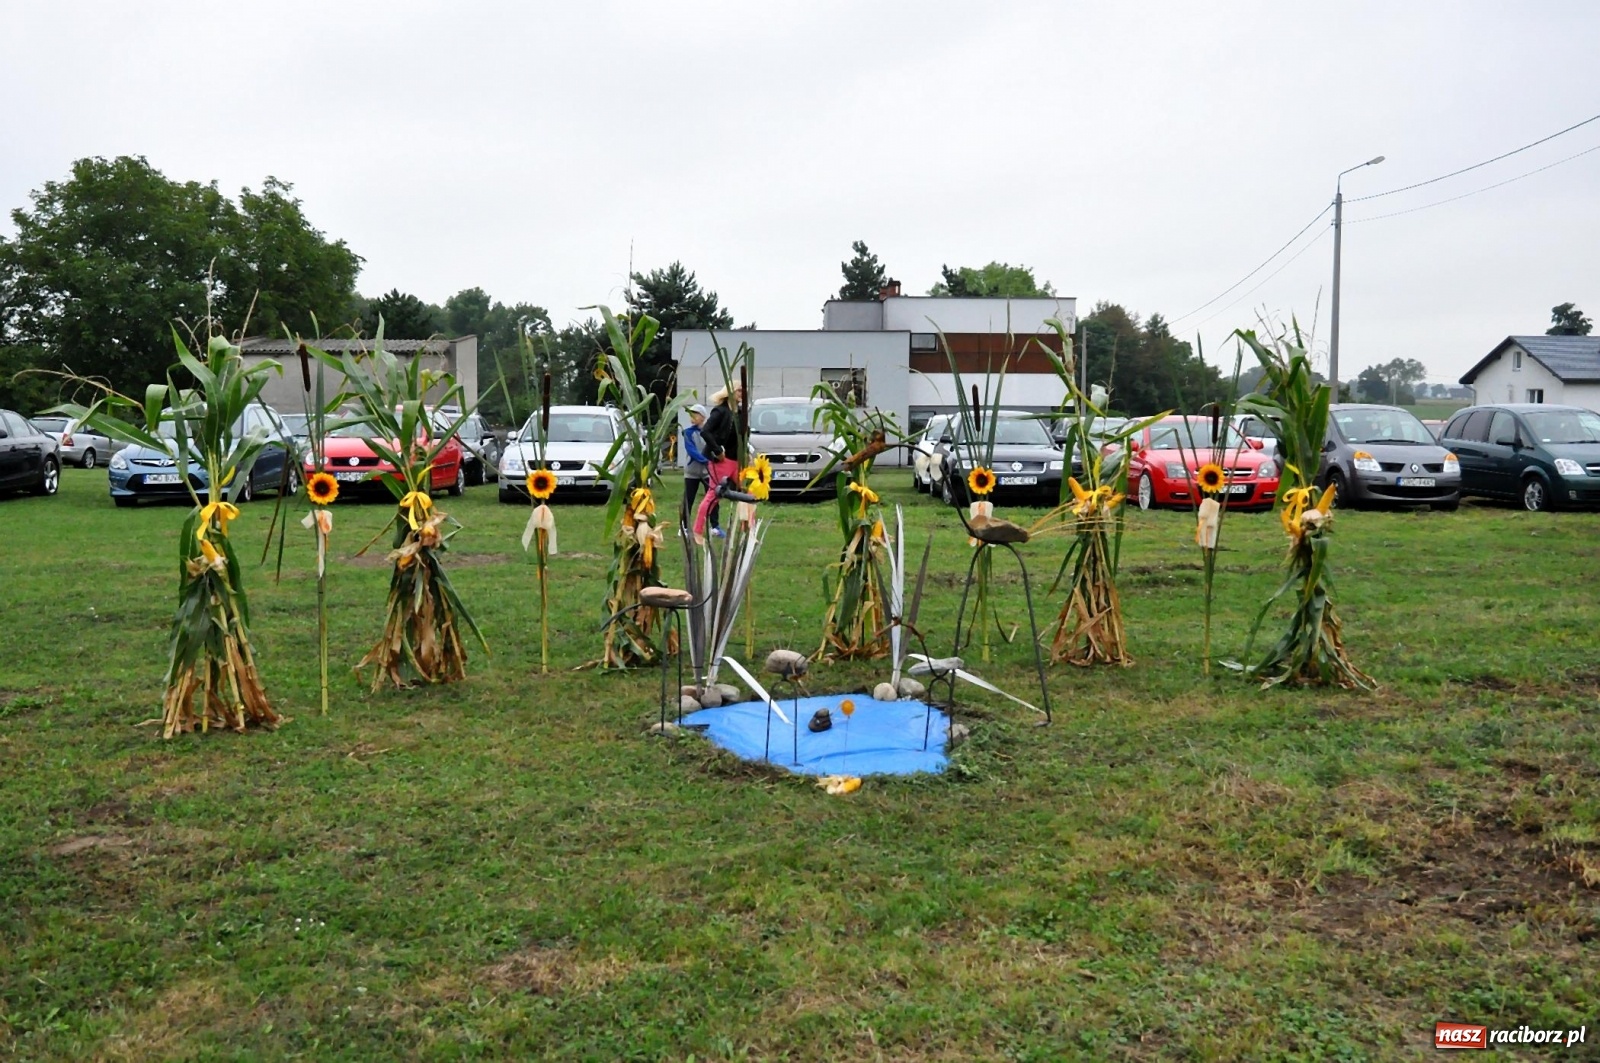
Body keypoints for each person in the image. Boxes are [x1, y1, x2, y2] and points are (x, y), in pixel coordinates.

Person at [694, 384, 743, 539]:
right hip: (721, 461)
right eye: (739, 390)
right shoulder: (720, 411)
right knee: (714, 495)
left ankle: (747, 527)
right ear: (730, 392)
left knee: (748, 491)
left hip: (737, 460)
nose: (742, 393)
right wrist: (718, 450)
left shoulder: (740, 413)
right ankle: (698, 531)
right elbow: (706, 432)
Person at [680, 404, 712, 530]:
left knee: (711, 499)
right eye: (690, 414)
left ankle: (714, 526)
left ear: (703, 417)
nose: (692, 417)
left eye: (695, 414)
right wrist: (705, 460)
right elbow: (691, 450)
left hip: (707, 472)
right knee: (688, 499)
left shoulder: (708, 433)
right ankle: (684, 527)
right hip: (692, 472)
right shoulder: (687, 433)